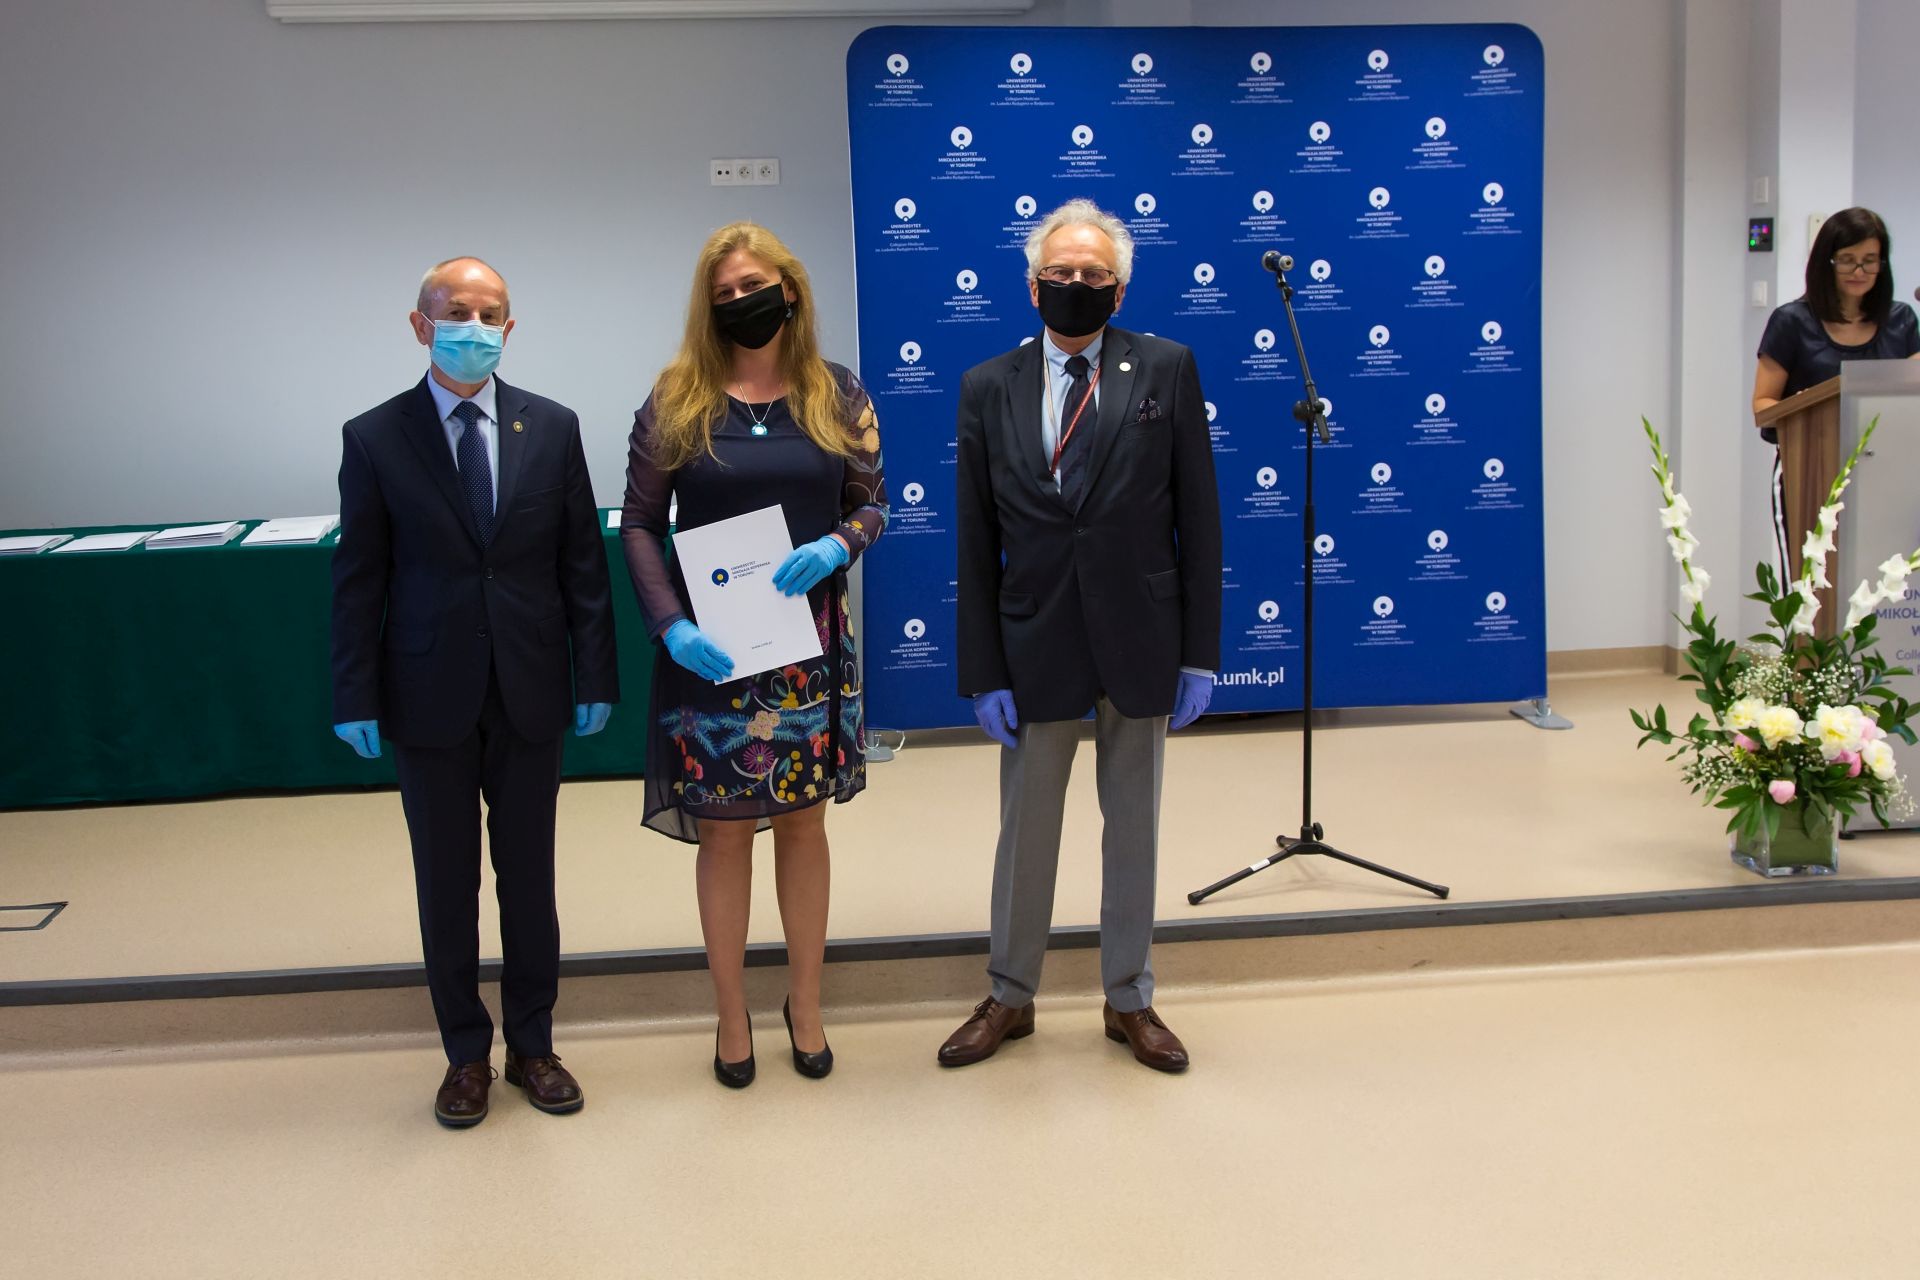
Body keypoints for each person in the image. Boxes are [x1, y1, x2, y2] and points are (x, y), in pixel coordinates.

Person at [330, 257, 619, 1129]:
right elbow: (360, 578)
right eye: (457, 312)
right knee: (446, 882)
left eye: (491, 314)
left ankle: (534, 1044)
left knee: (529, 879)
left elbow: (582, 564)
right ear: (420, 326)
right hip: (427, 693)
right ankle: (465, 1054)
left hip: (530, 687)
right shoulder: (374, 437)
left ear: (510, 328)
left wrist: (596, 674)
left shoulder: (553, 427)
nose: (475, 327)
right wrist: (354, 693)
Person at [938, 199, 1222, 1074]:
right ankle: (1010, 994)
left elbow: (1201, 518)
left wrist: (1200, 654)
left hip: (1142, 636)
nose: (1076, 284)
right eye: (1060, 273)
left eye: (1094, 274)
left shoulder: (1167, 368)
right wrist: (983, 669)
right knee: (1026, 832)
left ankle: (1129, 997)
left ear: (1120, 289)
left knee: (1133, 826)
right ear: (1032, 287)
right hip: (1034, 641)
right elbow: (974, 537)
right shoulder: (987, 385)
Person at [620, 223, 888, 1089]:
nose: (742, 302)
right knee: (725, 833)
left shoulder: (837, 392)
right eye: (725, 294)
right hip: (712, 653)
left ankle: (804, 1003)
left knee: (804, 825)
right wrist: (670, 625)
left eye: (754, 286)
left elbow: (873, 502)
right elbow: (638, 524)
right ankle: (731, 1011)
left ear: (791, 289)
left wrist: (841, 544)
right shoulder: (677, 399)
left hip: (808, 651)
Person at [1753, 207, 1919, 577]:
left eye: (1870, 261)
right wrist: (1803, 407)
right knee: (1811, 589)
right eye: (1847, 260)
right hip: (1810, 471)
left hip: (1888, 475)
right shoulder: (1792, 321)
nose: (1859, 271)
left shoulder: (1902, 320)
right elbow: (1763, 407)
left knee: (1885, 589)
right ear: (1826, 262)